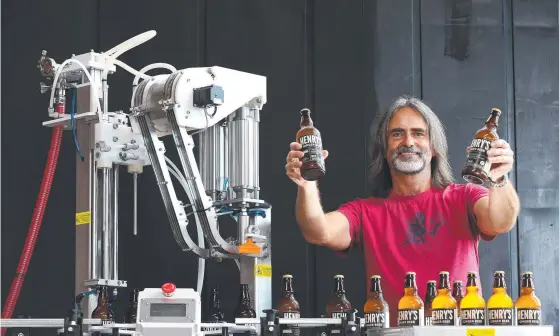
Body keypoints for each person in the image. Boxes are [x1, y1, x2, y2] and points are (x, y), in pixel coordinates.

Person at [285, 95, 520, 327]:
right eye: (397, 134)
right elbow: (318, 231)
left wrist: (498, 179)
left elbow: (500, 222)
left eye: (419, 133)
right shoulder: (365, 211)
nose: (408, 141)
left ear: (434, 148)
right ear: (384, 150)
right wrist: (306, 183)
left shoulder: (464, 197)